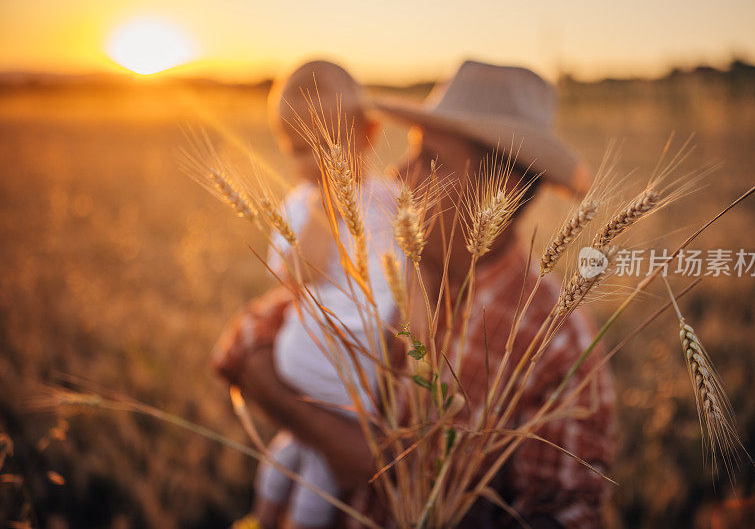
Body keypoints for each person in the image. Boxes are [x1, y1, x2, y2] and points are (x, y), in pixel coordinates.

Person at [216, 60, 616, 528]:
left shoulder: (556, 342)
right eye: (410, 152)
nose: (399, 173)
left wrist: (382, 473)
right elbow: (246, 337)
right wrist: (330, 436)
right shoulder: (387, 256)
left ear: (497, 192)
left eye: (431, 160)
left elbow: (562, 514)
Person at [222, 60, 399, 529]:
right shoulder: (299, 207)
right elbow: (296, 276)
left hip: (364, 353)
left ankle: (264, 516)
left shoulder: (388, 196)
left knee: (295, 443)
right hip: (321, 356)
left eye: (329, 145)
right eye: (301, 150)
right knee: (327, 457)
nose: (318, 162)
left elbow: (421, 240)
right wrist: (325, 212)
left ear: (369, 134)